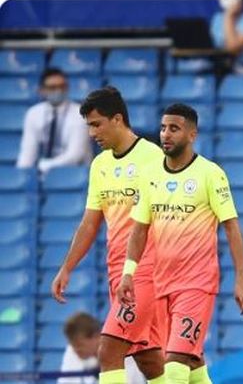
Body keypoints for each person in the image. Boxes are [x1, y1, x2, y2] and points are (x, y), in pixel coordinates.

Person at [117, 103, 243, 384]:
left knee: (175, 365)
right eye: (164, 128)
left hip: (197, 285)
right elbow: (139, 230)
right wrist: (128, 272)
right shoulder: (149, 175)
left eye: (174, 129)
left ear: (192, 135)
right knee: (193, 366)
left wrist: (241, 278)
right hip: (161, 283)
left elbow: (231, 226)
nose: (166, 134)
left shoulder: (210, 174)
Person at [50, 86, 165, 384]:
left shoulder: (152, 157)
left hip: (147, 271)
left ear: (117, 119)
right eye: (88, 126)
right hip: (118, 273)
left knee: (110, 347)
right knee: (149, 358)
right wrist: (67, 266)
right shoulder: (100, 165)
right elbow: (90, 222)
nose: (91, 133)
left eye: (96, 124)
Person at [16, 67, 92, 174]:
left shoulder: (80, 113)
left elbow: (76, 155)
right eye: (52, 87)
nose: (58, 91)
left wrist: (47, 165)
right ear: (42, 90)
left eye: (62, 86)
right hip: (44, 174)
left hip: (76, 174)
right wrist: (21, 175)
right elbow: (28, 152)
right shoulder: (33, 114)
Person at [59, 312, 146, 384]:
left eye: (80, 345)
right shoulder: (72, 352)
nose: (76, 350)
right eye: (73, 345)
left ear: (96, 337)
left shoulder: (124, 354)